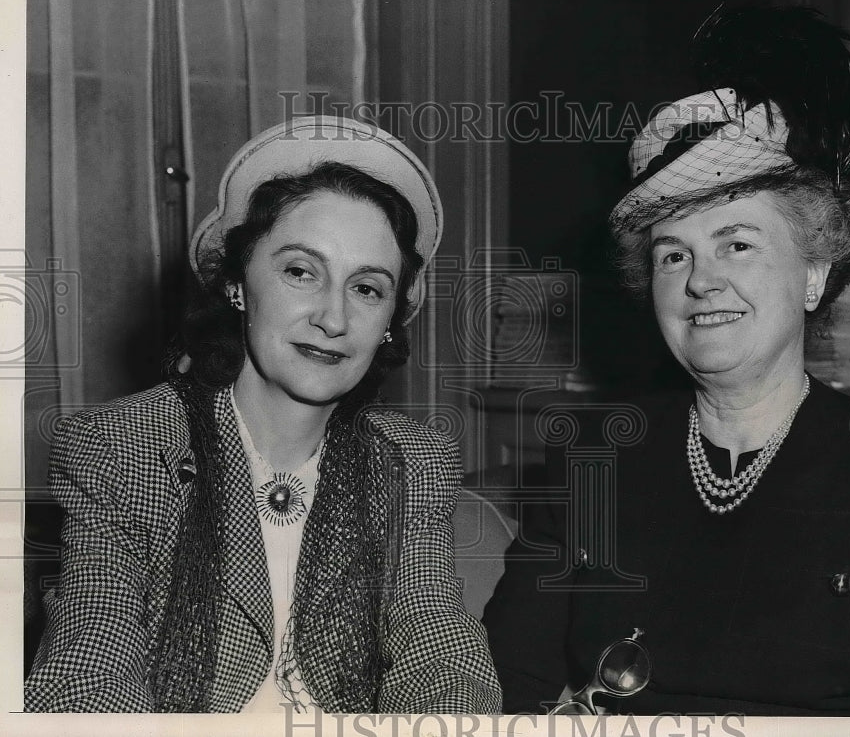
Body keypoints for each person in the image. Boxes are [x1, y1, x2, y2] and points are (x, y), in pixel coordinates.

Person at [483, 7, 850, 716]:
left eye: (736, 243)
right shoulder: (591, 462)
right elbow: (500, 692)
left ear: (813, 272)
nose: (700, 280)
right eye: (673, 253)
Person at [25, 116, 502, 714]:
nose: (333, 318)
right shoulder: (122, 446)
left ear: (388, 324)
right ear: (238, 285)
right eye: (301, 272)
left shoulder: (414, 459)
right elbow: (88, 667)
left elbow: (438, 648)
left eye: (367, 288)